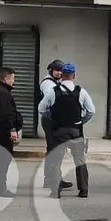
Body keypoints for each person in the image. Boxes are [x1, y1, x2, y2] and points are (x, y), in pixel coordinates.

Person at [38, 62, 95, 198]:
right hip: (76, 131)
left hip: (59, 131)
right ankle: (83, 190)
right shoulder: (82, 92)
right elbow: (91, 111)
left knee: (56, 161)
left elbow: (41, 109)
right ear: (74, 75)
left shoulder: (53, 91)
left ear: (62, 76)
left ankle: (56, 191)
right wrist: (81, 121)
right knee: (80, 161)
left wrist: (53, 118)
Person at [0, 66, 23, 198]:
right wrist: (12, 129)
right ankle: (0, 188)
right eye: (13, 78)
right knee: (2, 160)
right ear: (6, 78)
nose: (14, 81)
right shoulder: (3, 93)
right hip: (2, 132)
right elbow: (6, 114)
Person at [39, 60, 71, 190]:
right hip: (51, 120)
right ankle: (52, 179)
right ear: (51, 70)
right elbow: (51, 101)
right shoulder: (48, 84)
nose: (59, 73)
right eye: (56, 70)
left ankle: (53, 178)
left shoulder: (56, 83)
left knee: (54, 150)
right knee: (54, 150)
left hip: (54, 119)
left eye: (61, 70)